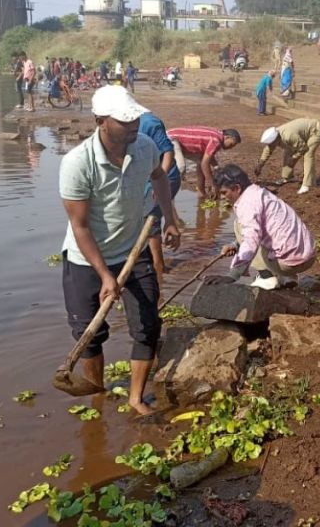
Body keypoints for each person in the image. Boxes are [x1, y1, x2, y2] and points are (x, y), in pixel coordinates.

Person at [59, 86, 181, 415]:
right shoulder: (77, 163)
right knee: (90, 332)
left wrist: (169, 218)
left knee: (148, 325)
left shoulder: (145, 146)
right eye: (124, 121)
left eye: (135, 119)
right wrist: (104, 275)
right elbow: (80, 227)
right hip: (86, 259)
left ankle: (135, 397)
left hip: (132, 250)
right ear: (100, 121)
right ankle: (96, 392)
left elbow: (159, 177)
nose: (133, 126)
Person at [202, 165, 316, 290]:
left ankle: (266, 277)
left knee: (239, 225)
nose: (222, 197)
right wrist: (235, 245)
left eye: (224, 192)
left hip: (289, 263)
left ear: (237, 188)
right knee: (255, 231)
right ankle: (286, 277)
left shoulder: (247, 205)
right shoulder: (260, 193)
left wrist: (232, 275)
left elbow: (251, 239)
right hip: (308, 257)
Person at [139, 111, 181, 281]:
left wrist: (159, 180)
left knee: (151, 221)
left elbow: (168, 151)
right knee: (144, 220)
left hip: (164, 177)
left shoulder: (149, 122)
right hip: (147, 179)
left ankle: (159, 269)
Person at [166, 126, 242, 199]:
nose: (231, 148)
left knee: (200, 160)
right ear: (227, 137)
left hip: (180, 142)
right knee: (181, 167)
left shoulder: (217, 135)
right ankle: (166, 195)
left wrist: (217, 168)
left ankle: (201, 192)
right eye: (231, 144)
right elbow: (205, 163)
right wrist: (212, 184)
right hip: (172, 138)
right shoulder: (216, 140)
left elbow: (207, 158)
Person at [256, 118, 320, 195]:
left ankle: (307, 184)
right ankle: (287, 177)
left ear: (276, 139)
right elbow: (268, 149)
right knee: (288, 151)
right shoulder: (276, 135)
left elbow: (303, 148)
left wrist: (294, 158)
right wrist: (260, 164)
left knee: (308, 154)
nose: (272, 146)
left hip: (315, 131)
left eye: (272, 144)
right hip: (303, 132)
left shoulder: (288, 136)